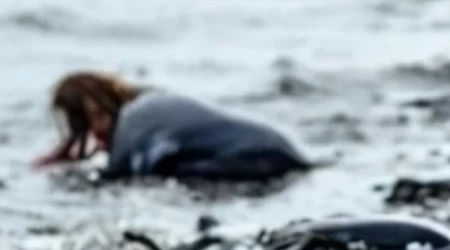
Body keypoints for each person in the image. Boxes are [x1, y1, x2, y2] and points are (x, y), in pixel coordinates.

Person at [36, 72, 311, 180]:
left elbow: (120, 173)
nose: (98, 132)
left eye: (98, 116)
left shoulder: (136, 117)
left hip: (263, 158)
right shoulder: (152, 104)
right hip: (274, 150)